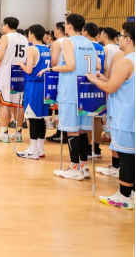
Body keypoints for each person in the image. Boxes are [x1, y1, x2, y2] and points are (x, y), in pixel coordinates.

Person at [86, 22, 135, 209]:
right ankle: (131, 192)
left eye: (121, 36)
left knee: (127, 156)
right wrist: (107, 80)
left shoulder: (125, 61)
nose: (118, 39)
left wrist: (94, 80)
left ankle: (124, 195)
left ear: (128, 39)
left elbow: (111, 88)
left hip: (125, 117)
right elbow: (121, 84)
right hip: (131, 114)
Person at [51, 14, 97, 180]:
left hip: (71, 90)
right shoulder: (90, 43)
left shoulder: (68, 42)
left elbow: (70, 66)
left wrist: (53, 69)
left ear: (69, 25)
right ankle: (84, 167)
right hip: (86, 90)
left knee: (72, 130)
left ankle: (74, 168)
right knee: (82, 131)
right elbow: (98, 65)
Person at [0, 17, 28, 143]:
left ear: (6, 26)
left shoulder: (6, 37)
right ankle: (18, 133)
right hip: (19, 73)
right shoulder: (24, 38)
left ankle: (4, 133)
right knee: (18, 105)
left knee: (4, 104)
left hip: (6, 74)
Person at [16, 24, 51, 159]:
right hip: (45, 85)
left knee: (33, 118)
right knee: (41, 118)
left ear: (32, 34)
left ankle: (33, 150)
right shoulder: (46, 48)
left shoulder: (32, 49)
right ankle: (40, 149)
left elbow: (29, 70)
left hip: (34, 85)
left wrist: (21, 64)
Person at [84, 22, 107, 157]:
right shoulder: (101, 47)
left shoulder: (85, 45)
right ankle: (96, 148)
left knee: (87, 116)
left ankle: (88, 147)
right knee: (98, 117)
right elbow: (105, 66)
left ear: (85, 32)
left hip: (88, 82)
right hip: (100, 81)